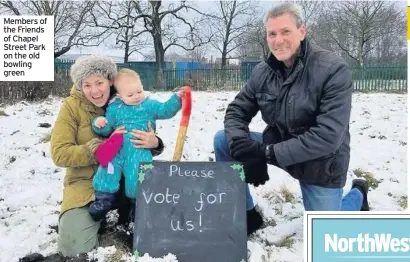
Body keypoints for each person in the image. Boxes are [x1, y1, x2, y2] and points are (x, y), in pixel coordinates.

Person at [213, 2, 369, 236]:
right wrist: (243, 149)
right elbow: (237, 110)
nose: (278, 40)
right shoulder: (262, 72)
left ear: (302, 32)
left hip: (321, 163)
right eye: (272, 34)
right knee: (224, 139)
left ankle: (358, 194)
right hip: (279, 146)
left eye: (285, 31)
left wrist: (264, 153)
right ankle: (247, 214)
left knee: (326, 234)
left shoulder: (333, 69)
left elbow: (328, 137)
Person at [50, 55, 166, 257]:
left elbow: (146, 136)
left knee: (161, 232)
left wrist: (155, 143)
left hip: (127, 181)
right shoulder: (71, 107)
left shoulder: (128, 97)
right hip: (85, 186)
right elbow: (59, 153)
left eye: (99, 83)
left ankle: (127, 216)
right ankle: (97, 222)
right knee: (73, 249)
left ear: (110, 81)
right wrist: (102, 148)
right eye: (86, 85)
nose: (94, 91)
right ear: (80, 86)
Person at [88, 68, 182, 221]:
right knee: (106, 170)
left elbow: (165, 110)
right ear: (119, 95)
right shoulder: (115, 107)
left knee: (138, 177)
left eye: (139, 91)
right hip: (116, 149)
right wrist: (99, 123)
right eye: (130, 95)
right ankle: (103, 200)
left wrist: (177, 99)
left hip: (139, 149)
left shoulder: (149, 105)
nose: (137, 97)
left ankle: (138, 206)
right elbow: (107, 127)